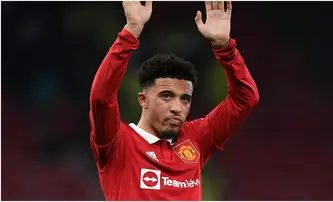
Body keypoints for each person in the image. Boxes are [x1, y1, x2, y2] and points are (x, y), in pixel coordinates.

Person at [89, 1, 259, 200]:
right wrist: (131, 32)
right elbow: (101, 98)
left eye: (185, 99)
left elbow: (246, 99)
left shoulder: (196, 138)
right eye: (166, 96)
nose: (177, 108)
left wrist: (225, 48)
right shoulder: (116, 143)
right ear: (143, 99)